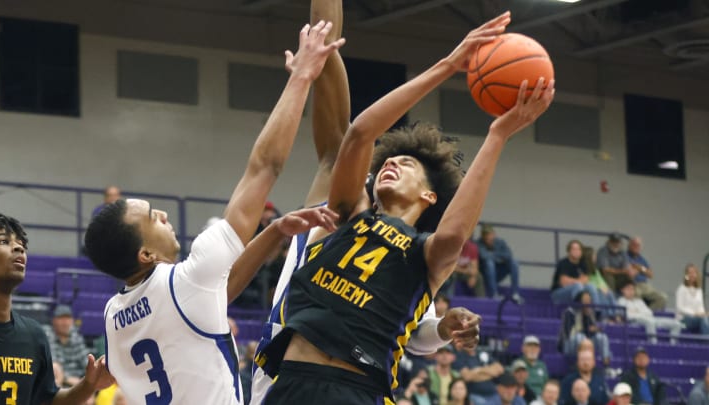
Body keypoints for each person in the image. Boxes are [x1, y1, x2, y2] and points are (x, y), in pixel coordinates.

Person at [83, 21, 345, 405]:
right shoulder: (190, 277)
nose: (165, 216)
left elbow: (210, 296)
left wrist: (272, 233)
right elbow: (265, 167)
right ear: (146, 255)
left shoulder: (113, 316)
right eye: (153, 216)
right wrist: (302, 77)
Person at [245, 0, 485, 403]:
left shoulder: (412, 257)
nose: (390, 164)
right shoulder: (338, 209)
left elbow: (415, 337)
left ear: (430, 195)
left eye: (406, 164)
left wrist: (444, 328)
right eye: (388, 161)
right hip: (286, 368)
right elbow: (347, 126)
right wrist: (321, 48)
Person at [0, 213, 113, 404]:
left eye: (21, 244)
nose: (19, 247)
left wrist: (89, 384)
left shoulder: (33, 335)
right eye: (4, 241)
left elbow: (51, 401)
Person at [617, 281, 682, 344]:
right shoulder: (621, 301)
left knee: (676, 324)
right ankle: (653, 345)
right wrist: (640, 313)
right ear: (623, 290)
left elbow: (649, 313)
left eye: (632, 289)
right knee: (650, 322)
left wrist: (636, 312)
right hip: (635, 321)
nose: (631, 291)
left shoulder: (638, 301)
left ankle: (673, 345)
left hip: (650, 319)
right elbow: (628, 316)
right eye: (628, 289)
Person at [559, 291, 612, 366]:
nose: (588, 302)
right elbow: (568, 333)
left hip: (585, 341)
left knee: (602, 337)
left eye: (589, 300)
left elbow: (592, 331)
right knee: (581, 337)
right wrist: (587, 329)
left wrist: (594, 329)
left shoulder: (590, 313)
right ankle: (581, 364)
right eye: (585, 299)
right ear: (579, 300)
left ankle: (606, 364)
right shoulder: (570, 312)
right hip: (569, 344)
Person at [43, 305, 91, 385]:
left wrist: (85, 381)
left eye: (68, 318)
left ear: (72, 321)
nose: (65, 323)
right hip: (58, 381)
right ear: (54, 321)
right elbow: (52, 365)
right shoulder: (48, 336)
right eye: (61, 318)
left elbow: (86, 364)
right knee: (55, 373)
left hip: (78, 381)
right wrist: (67, 378)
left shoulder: (77, 338)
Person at [551, 240, 601, 305]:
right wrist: (579, 281)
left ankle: (597, 310)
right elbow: (563, 282)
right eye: (574, 249)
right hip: (558, 293)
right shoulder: (563, 263)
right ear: (569, 251)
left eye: (579, 249)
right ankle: (573, 309)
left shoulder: (583, 264)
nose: (576, 251)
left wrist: (572, 280)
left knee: (590, 287)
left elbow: (586, 280)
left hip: (577, 291)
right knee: (578, 286)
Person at [478, 224, 520, 300]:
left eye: (490, 234)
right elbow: (484, 256)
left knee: (514, 263)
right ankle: (494, 294)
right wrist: (499, 257)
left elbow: (508, 255)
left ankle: (515, 293)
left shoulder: (501, 242)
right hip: (484, 274)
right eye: (486, 235)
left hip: (499, 272)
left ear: (494, 234)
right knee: (489, 263)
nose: (488, 237)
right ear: (482, 236)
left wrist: (493, 255)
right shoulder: (478, 243)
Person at [626, 237, 667, 310]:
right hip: (633, 284)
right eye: (634, 245)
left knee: (663, 297)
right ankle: (638, 315)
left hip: (645, 285)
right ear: (629, 245)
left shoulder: (641, 259)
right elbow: (631, 272)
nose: (636, 247)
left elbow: (651, 274)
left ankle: (648, 314)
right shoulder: (625, 256)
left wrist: (640, 268)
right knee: (636, 295)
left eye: (638, 246)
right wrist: (642, 270)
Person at [675, 264, 709, 334]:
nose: (692, 275)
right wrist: (694, 314)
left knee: (705, 318)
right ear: (686, 275)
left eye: (694, 273)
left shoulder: (699, 290)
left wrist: (703, 314)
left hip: (698, 318)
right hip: (684, 319)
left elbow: (700, 306)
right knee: (703, 319)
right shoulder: (681, 289)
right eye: (690, 273)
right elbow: (680, 308)